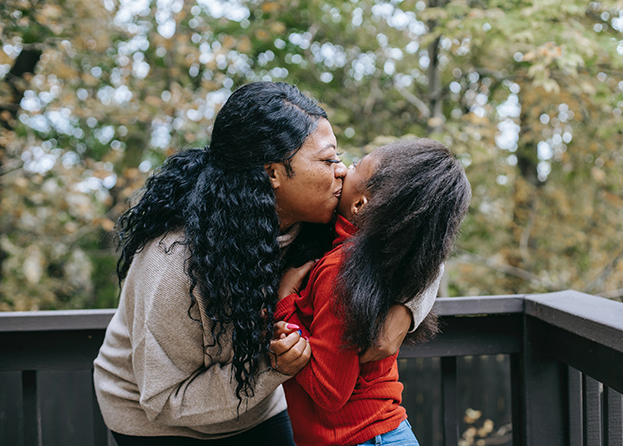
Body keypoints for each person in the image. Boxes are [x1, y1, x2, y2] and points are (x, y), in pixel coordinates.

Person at [93, 82, 437, 445]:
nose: (341, 171)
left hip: (257, 404)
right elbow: (163, 398)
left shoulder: (316, 220)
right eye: (327, 160)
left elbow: (419, 231)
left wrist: (406, 309)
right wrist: (270, 368)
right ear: (272, 173)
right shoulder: (174, 261)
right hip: (160, 423)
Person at [274, 138, 472, 446]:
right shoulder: (380, 258)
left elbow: (330, 391)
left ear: (360, 205)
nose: (340, 169)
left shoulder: (339, 269)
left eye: (352, 166)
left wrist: (285, 302)